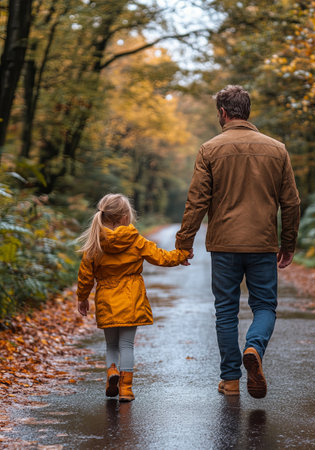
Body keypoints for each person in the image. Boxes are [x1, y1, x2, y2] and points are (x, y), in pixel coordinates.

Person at [175, 85, 300, 398]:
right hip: (262, 244)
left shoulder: (209, 149)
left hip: (224, 245)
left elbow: (197, 201)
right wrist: (288, 244)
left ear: (222, 113)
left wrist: (184, 241)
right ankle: (254, 349)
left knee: (226, 310)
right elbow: (292, 202)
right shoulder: (277, 149)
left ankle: (230, 380)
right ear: (248, 111)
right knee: (265, 306)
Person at [77, 193, 191, 402]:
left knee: (111, 346)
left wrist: (82, 298)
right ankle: (126, 389)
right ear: (124, 217)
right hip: (132, 299)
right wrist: (182, 255)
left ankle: (112, 372)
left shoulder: (95, 243)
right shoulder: (136, 240)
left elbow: (85, 275)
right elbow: (161, 257)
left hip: (106, 300)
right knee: (127, 345)